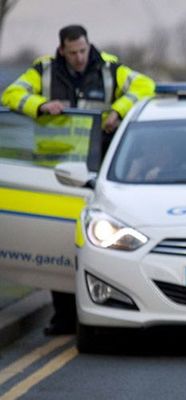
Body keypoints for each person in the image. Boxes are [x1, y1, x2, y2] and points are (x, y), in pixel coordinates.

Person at [1, 24, 155, 336]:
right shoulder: (44, 70)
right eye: (73, 53)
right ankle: (63, 317)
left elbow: (145, 86)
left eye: (83, 50)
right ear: (62, 50)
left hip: (98, 170)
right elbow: (12, 94)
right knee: (59, 244)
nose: (80, 58)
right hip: (56, 172)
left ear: (88, 45)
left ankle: (95, 308)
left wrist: (118, 110)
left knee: (96, 241)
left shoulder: (109, 67)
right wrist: (40, 106)